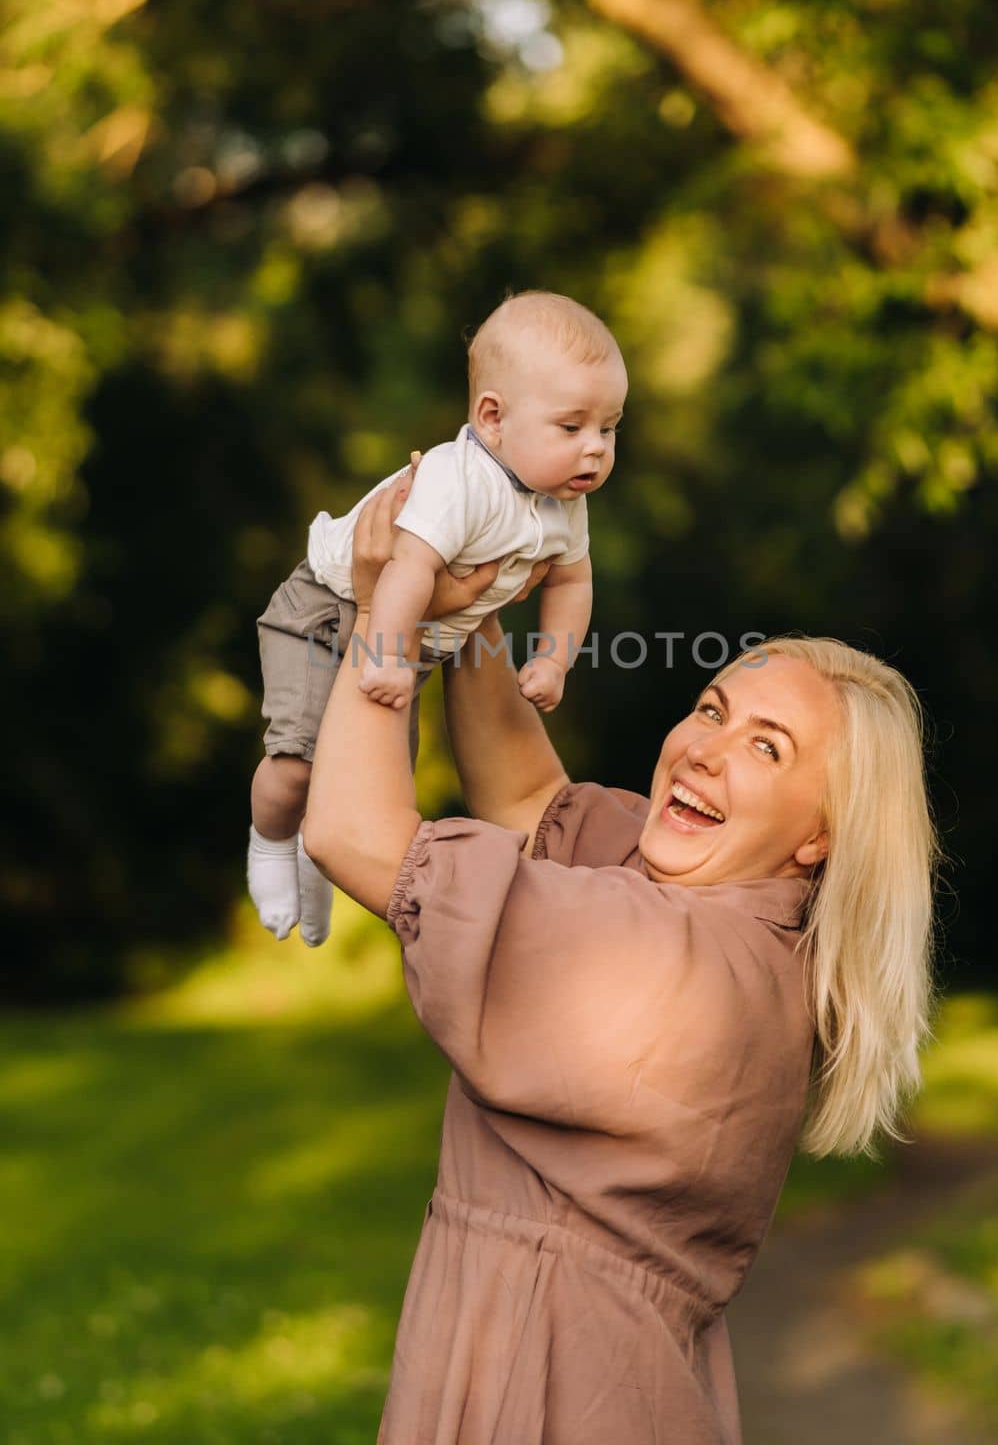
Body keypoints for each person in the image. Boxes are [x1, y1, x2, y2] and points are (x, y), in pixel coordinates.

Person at [297, 468, 940, 1445]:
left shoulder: (671, 966)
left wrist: (386, 609)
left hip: (546, 1390)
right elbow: (525, 800)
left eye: (767, 749)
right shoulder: (732, 920)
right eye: (714, 709)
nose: (705, 750)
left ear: (820, 835)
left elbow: (351, 830)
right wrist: (466, 601)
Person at [247, 290, 628, 945]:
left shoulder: (563, 503)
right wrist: (388, 656)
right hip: (329, 611)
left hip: (414, 637)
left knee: (365, 779)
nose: (594, 449)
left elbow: (572, 579)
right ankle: (271, 843)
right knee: (298, 768)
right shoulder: (460, 480)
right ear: (492, 418)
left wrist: (552, 658)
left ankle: (315, 860)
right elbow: (403, 572)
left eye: (609, 427)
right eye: (571, 427)